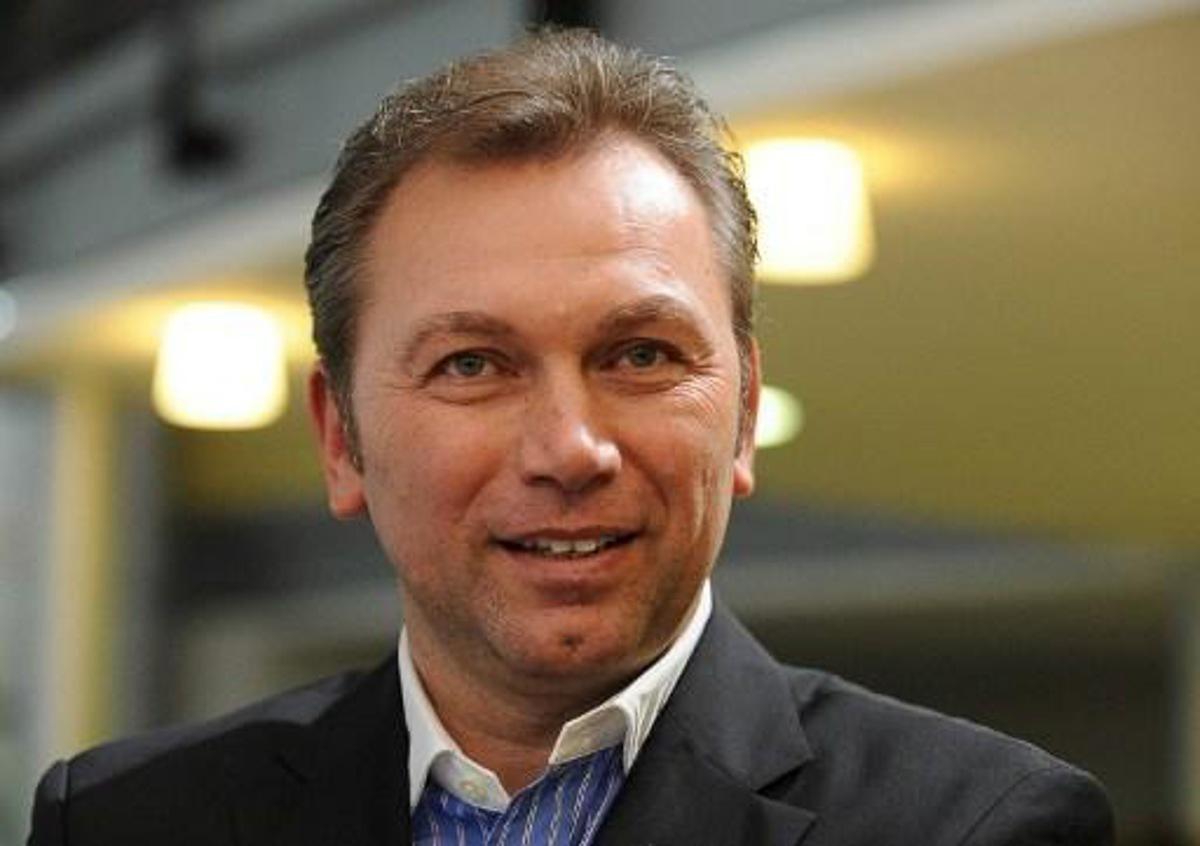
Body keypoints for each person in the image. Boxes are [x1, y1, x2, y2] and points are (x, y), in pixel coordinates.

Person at [27, 29, 1114, 846]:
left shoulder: (979, 826)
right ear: (342, 439)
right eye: (472, 365)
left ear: (742, 413)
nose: (570, 448)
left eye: (639, 354)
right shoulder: (125, 822)